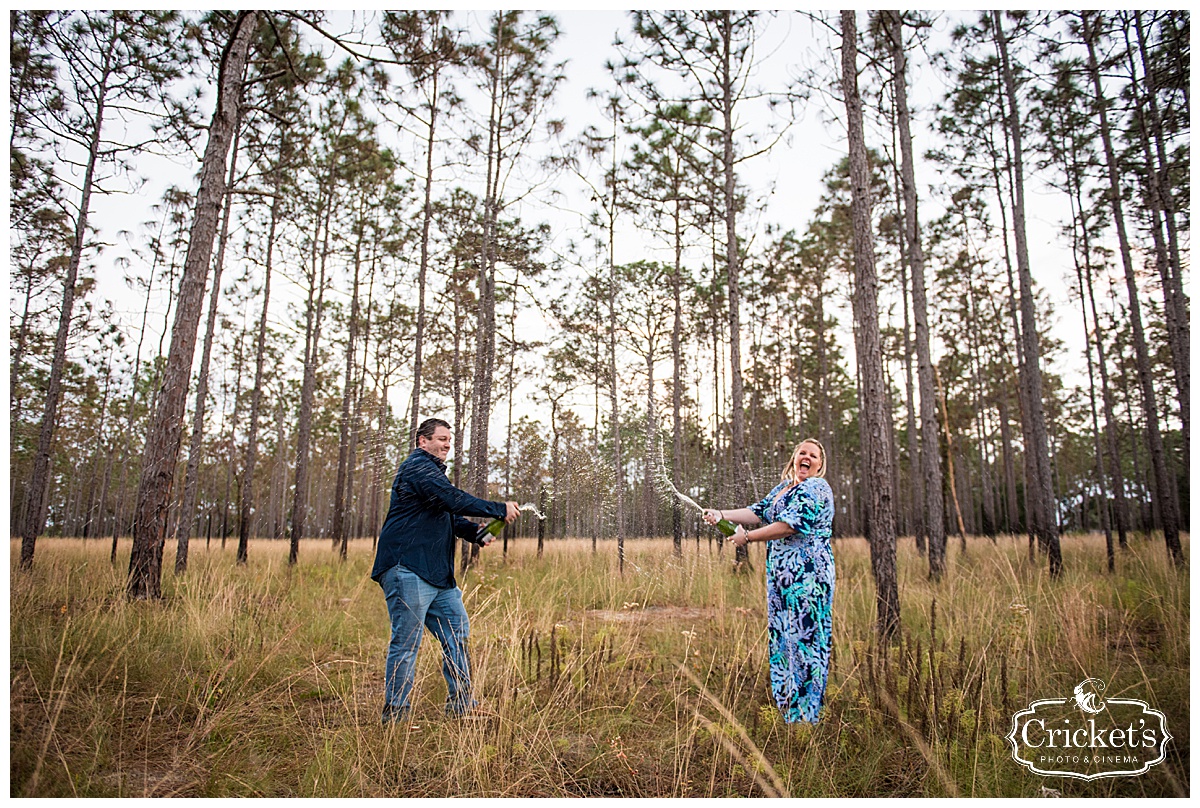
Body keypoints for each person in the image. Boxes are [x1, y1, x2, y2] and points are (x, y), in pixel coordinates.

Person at [371, 417, 519, 724]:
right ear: (422, 441)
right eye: (441, 438)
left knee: (457, 635)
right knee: (406, 643)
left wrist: (478, 532)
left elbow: (447, 515)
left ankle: (462, 706)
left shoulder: (433, 477)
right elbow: (451, 500)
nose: (446, 444)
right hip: (407, 568)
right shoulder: (417, 468)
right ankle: (395, 717)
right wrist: (496, 507)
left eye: (449, 440)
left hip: (438, 577)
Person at [703, 438, 835, 723]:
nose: (807, 457)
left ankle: (807, 715)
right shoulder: (785, 488)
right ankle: (789, 708)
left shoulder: (816, 488)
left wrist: (747, 537)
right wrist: (721, 514)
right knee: (784, 637)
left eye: (813, 455)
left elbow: (789, 526)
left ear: (820, 465)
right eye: (802, 452)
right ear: (794, 456)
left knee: (805, 639)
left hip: (808, 577)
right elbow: (758, 511)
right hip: (781, 577)